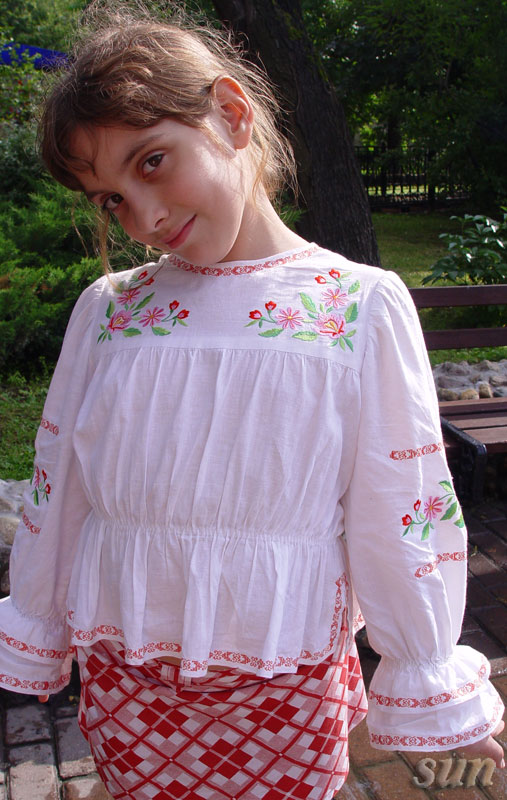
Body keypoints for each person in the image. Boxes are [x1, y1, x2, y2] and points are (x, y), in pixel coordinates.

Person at [0, 6, 504, 799]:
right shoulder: (110, 309)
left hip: (283, 678)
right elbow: (58, 482)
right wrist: (35, 621)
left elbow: (399, 507)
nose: (143, 217)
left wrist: (427, 676)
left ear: (231, 115)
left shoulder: (354, 305)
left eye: (152, 161)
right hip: (123, 671)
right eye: (111, 198)